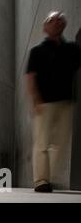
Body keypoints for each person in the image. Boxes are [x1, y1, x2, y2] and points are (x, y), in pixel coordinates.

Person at [25, 11, 81, 192]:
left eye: (60, 19)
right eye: (52, 19)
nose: (57, 21)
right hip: (44, 103)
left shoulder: (72, 49)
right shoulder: (37, 51)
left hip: (66, 103)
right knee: (42, 142)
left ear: (64, 24)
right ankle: (41, 181)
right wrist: (35, 100)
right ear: (45, 27)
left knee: (62, 143)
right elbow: (30, 77)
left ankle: (50, 176)